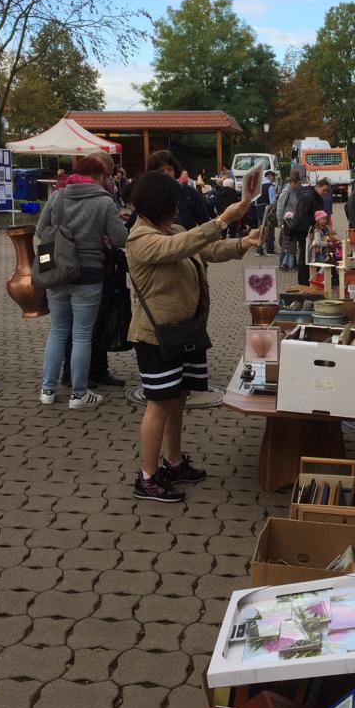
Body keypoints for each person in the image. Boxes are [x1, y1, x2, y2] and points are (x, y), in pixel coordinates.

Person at [125, 172, 261, 502]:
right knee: (158, 406)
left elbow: (207, 250)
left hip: (185, 332)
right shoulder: (141, 238)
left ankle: (173, 462)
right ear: (158, 204)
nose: (177, 208)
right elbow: (178, 247)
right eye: (172, 202)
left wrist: (243, 243)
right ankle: (147, 476)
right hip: (156, 337)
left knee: (178, 399)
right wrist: (221, 219)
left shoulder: (172, 228)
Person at [37, 155, 128, 409]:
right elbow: (121, 238)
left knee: (57, 331)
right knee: (81, 335)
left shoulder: (58, 196)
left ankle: (48, 390)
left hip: (56, 272)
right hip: (89, 274)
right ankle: (78, 394)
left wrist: (63, 240)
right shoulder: (104, 201)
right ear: (100, 177)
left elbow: (40, 229)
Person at [294, 178, 330, 285]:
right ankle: (304, 282)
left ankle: (311, 280)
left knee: (311, 257)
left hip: (312, 230)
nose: (325, 193)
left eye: (326, 191)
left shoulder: (316, 197)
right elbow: (302, 215)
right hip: (304, 231)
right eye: (324, 190)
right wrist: (310, 230)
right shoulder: (308, 196)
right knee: (305, 257)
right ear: (318, 186)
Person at [253, 170, 277, 256]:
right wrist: (272, 211)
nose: (274, 179)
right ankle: (269, 249)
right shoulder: (270, 187)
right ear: (270, 176)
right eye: (273, 177)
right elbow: (273, 201)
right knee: (270, 230)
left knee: (261, 230)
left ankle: (259, 249)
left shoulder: (258, 187)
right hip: (267, 209)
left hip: (259, 209)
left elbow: (255, 201)